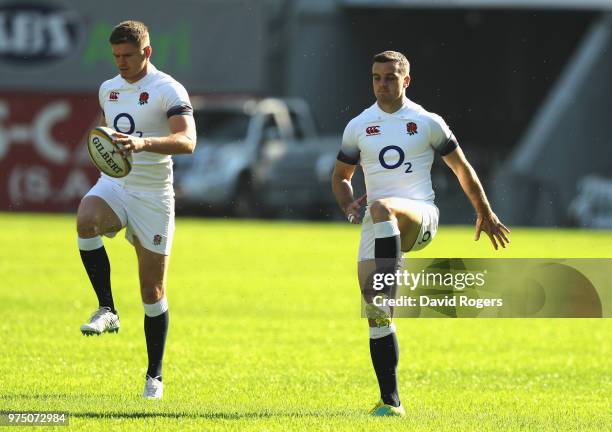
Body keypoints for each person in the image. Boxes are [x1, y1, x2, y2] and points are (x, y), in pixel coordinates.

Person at [331, 50, 510, 417]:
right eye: (377, 77)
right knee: (377, 314)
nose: (383, 84)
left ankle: (390, 276)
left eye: (390, 77)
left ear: (406, 80)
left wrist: (485, 212)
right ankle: (390, 402)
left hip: (420, 217)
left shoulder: (427, 122)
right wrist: (348, 204)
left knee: (383, 208)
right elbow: (341, 177)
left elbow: (462, 169)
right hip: (378, 229)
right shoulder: (359, 125)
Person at [76, 20, 196, 400]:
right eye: (115, 56)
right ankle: (107, 308)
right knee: (85, 220)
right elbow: (104, 130)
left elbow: (187, 140)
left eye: (128, 55)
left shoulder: (167, 89)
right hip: (116, 185)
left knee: (151, 290)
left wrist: (143, 144)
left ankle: (154, 377)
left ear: (147, 52)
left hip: (153, 195)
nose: (121, 63)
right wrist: (101, 146)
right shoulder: (108, 89)